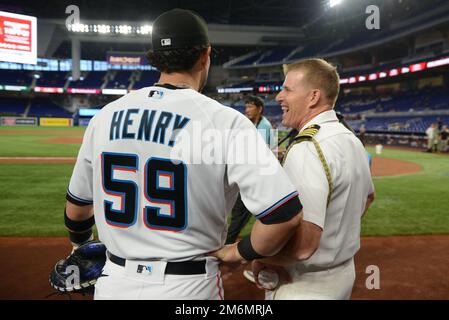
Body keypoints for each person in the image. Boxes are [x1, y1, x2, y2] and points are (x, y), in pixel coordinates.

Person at [61, 8, 303, 300]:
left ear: (154, 58)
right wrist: (238, 252)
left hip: (114, 283)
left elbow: (77, 211)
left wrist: (81, 247)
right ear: (205, 55)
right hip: (189, 286)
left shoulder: (104, 117)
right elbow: (284, 215)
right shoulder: (226, 121)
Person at [241, 58, 375, 299]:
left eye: (287, 89)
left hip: (303, 284)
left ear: (313, 97)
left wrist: (258, 256)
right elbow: (369, 197)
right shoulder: (351, 139)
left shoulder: (307, 147)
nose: (279, 97)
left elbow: (303, 247)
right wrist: (335, 236)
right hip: (341, 274)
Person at [225, 95, 274, 245]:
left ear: (259, 109)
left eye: (250, 106)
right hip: (250, 174)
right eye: (246, 106)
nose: (247, 109)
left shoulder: (264, 126)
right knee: (240, 212)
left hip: (256, 176)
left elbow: (255, 153)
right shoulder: (252, 123)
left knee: (240, 213)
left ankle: (228, 244)